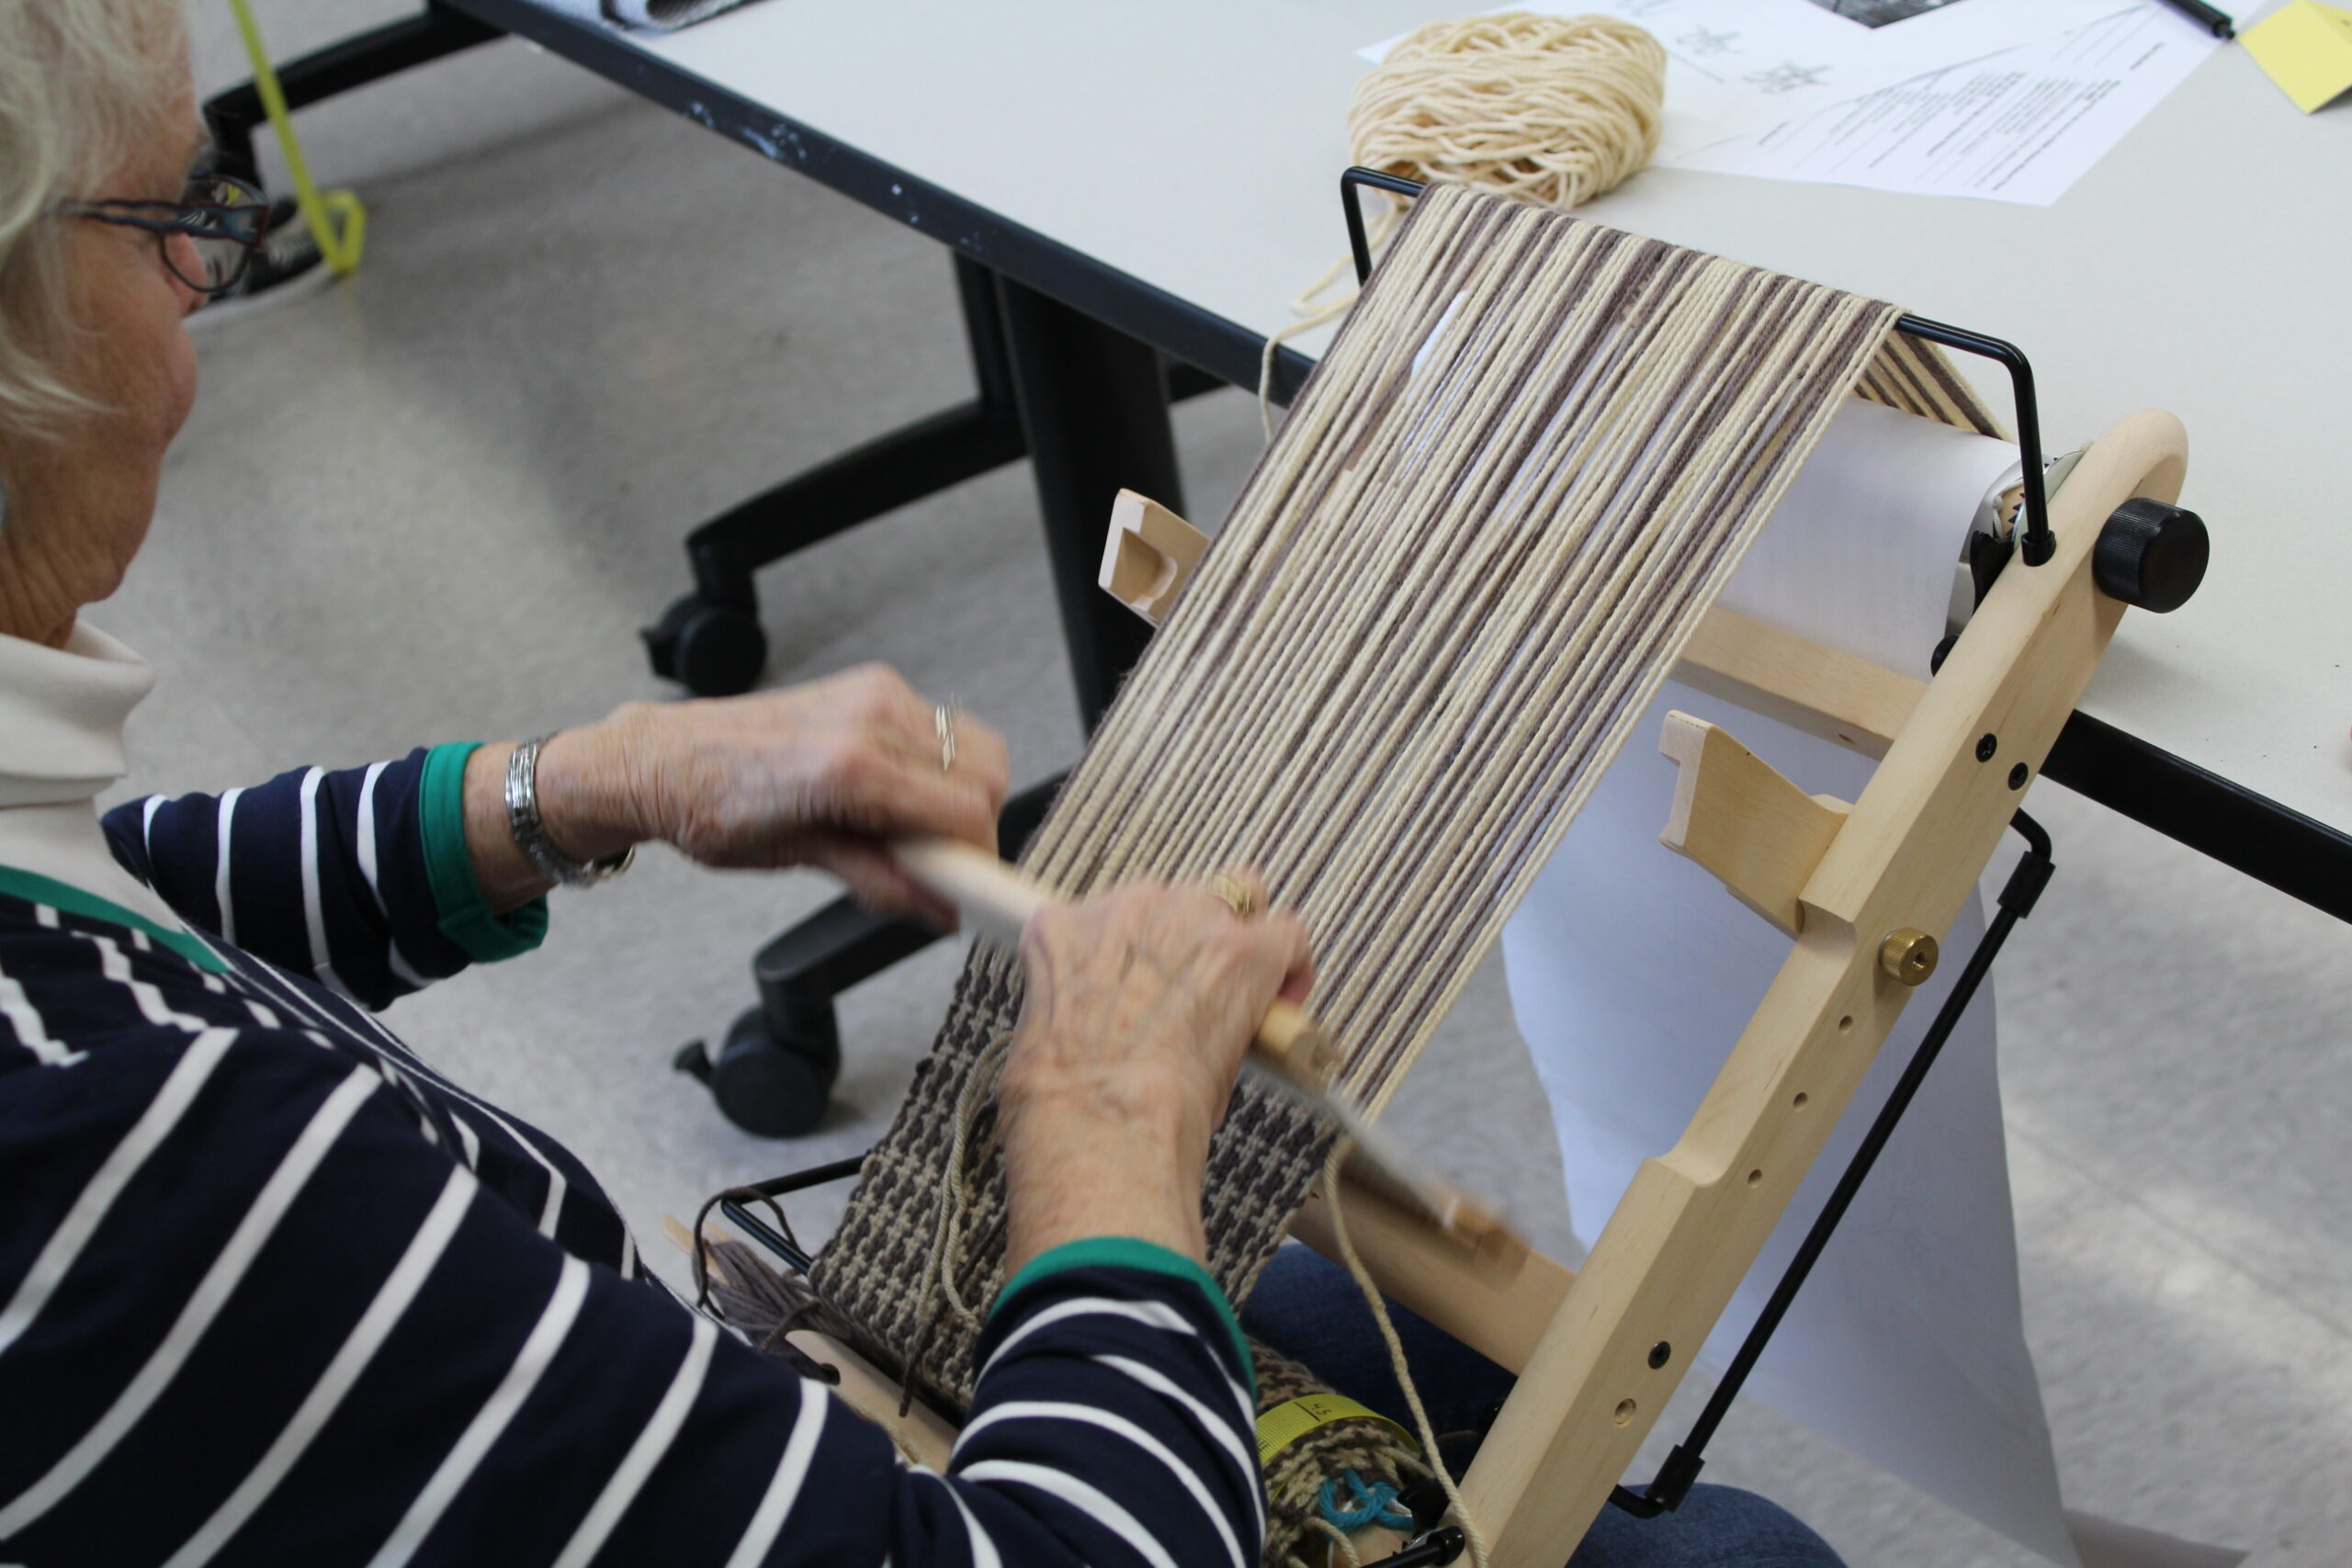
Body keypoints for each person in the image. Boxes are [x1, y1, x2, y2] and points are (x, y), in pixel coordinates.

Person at [0, 4, 1848, 1564]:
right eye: (168, 218)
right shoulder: (117, 1175)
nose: (198, 278)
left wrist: (579, 785)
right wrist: (1108, 1128)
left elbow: (121, 901)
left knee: (1324, 1318)